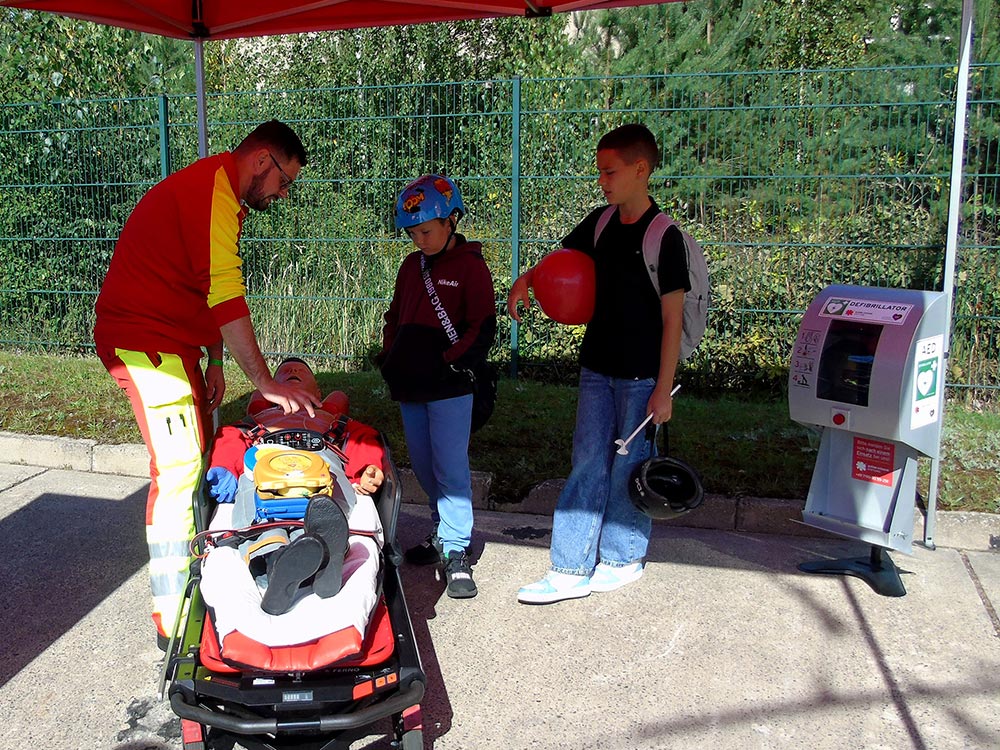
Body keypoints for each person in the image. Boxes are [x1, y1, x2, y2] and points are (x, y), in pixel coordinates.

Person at [93, 120, 322, 643]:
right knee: (178, 471)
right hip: (147, 342)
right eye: (284, 181)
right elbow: (224, 292)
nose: (283, 194)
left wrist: (215, 359)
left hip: (173, 342)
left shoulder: (218, 192)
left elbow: (206, 285)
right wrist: (263, 380)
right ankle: (174, 621)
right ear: (262, 160)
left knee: (198, 463)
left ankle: (208, 579)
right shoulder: (213, 190)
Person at [507, 124, 690, 604]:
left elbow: (673, 319)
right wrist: (526, 280)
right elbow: (560, 260)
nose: (602, 181)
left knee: (630, 465)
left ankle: (623, 558)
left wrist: (663, 388)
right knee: (588, 460)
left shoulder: (665, 238)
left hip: (642, 379)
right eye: (600, 172)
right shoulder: (601, 222)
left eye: (610, 172)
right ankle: (570, 568)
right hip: (597, 369)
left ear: (640, 169)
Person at [376, 174, 497, 599]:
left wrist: (448, 362)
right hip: (411, 385)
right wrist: (391, 357)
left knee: (450, 469)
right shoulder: (411, 267)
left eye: (426, 231)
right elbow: (395, 317)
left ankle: (457, 550)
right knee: (425, 468)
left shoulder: (471, 267)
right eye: (412, 234)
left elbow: (482, 327)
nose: (419, 241)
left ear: (451, 221)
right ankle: (441, 532)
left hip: (449, 388)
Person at [204, 357, 386, 615]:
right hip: (265, 461)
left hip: (321, 459)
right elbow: (230, 438)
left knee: (324, 496)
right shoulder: (257, 420)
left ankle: (310, 555)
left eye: (302, 370)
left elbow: (363, 438)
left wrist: (367, 468)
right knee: (252, 491)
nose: (293, 369)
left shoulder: (334, 420)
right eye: (285, 371)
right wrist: (223, 470)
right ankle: (281, 560)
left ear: (318, 393)